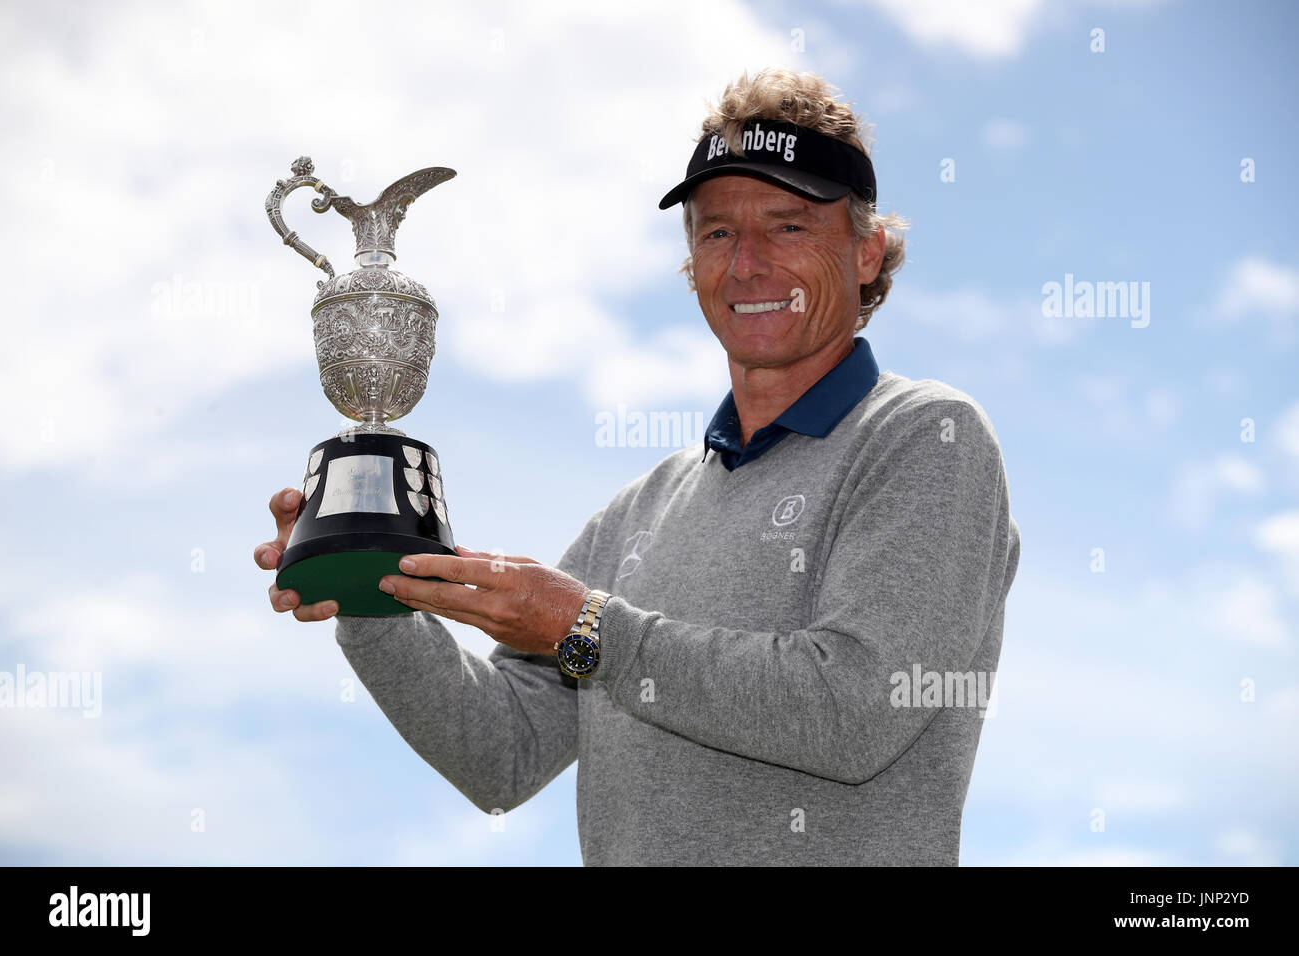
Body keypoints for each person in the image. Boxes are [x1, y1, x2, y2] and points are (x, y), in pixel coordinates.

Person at [253, 68, 1021, 865]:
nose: (748, 263)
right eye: (717, 233)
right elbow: (500, 752)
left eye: (789, 227)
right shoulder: (637, 512)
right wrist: (368, 586)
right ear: (692, 262)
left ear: (868, 253)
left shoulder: (929, 437)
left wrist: (586, 627)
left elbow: (856, 708)